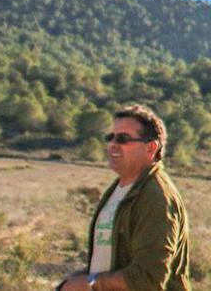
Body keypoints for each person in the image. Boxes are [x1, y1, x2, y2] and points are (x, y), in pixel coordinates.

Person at [58, 105, 191, 290]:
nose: (113, 144)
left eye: (123, 139)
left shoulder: (156, 197)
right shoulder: (120, 190)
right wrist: (79, 280)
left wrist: (89, 284)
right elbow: (112, 261)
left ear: (151, 148)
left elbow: (148, 278)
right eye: (110, 137)